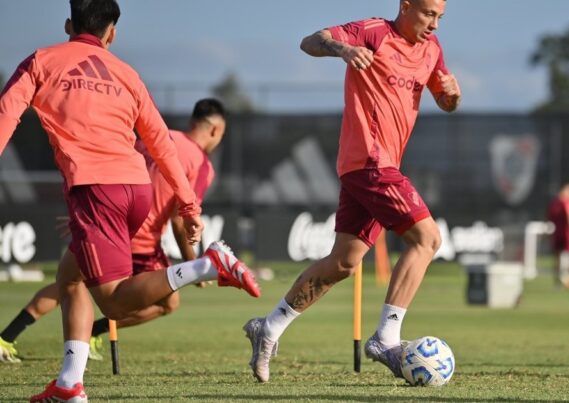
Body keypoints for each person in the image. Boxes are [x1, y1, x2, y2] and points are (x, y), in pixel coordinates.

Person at [0, 2, 260, 401]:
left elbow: (6, 114)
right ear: (112, 34)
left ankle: (207, 266)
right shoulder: (127, 74)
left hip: (96, 189)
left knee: (116, 306)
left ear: (69, 24)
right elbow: (161, 145)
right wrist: (190, 207)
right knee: (70, 279)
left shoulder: (41, 60)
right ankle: (69, 383)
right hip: (135, 189)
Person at [243, 0, 461, 382]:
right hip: (371, 162)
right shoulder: (374, 32)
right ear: (406, 5)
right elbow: (311, 41)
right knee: (427, 239)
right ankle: (386, 338)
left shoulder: (432, 50)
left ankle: (270, 327)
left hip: (373, 168)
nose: (435, 24)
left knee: (344, 263)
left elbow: (444, 100)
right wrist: (343, 50)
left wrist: (451, 97)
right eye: (429, 14)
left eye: (441, 17)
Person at [0, 98, 230, 364]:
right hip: (141, 240)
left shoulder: (156, 139)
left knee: (70, 282)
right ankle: (96, 332)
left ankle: (6, 336)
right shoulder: (201, 165)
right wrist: (193, 265)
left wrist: (88, 212)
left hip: (108, 220)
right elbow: (181, 219)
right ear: (215, 131)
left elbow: (113, 172)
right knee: (167, 303)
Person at [547, 183, 569, 289]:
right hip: (567, 234)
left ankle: (559, 281)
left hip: (557, 233)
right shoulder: (568, 203)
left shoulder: (554, 203)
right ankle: (565, 277)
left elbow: (549, 219)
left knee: (559, 257)